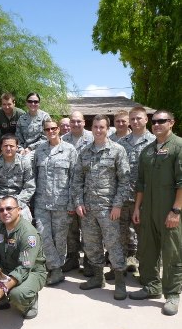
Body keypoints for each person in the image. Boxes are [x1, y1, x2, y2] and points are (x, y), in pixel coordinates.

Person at [130, 110, 182, 316]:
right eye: (154, 121)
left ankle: (172, 293)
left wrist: (176, 210)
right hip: (148, 209)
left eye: (162, 121)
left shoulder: (178, 146)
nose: (157, 124)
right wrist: (137, 208)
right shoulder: (148, 150)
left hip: (170, 210)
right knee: (148, 249)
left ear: (171, 123)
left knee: (172, 252)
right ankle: (152, 287)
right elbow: (140, 183)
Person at [72, 114, 130, 300]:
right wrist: (78, 203)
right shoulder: (85, 152)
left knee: (113, 246)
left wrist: (117, 205)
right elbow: (77, 180)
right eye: (95, 127)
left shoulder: (117, 150)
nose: (98, 130)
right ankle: (98, 278)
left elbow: (124, 180)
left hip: (109, 208)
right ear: (92, 128)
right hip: (88, 209)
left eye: (102, 127)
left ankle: (120, 283)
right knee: (91, 245)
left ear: (107, 128)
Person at [105, 107, 155, 280]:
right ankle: (118, 267)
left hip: (146, 197)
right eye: (132, 119)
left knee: (145, 235)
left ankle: (145, 271)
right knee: (119, 233)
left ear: (146, 119)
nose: (135, 122)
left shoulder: (154, 141)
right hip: (123, 196)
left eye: (138, 119)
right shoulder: (121, 142)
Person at [34, 119, 78, 285]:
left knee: (59, 239)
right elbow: (34, 175)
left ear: (59, 129)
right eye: (47, 129)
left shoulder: (70, 150)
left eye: (53, 128)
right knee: (44, 236)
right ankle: (55, 267)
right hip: (41, 203)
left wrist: (72, 203)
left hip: (62, 203)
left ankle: (56, 270)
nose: (51, 131)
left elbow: (75, 178)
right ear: (44, 131)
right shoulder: (39, 150)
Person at [61, 111, 94, 275]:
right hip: (68, 190)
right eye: (72, 121)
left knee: (87, 228)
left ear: (84, 122)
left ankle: (88, 261)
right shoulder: (63, 139)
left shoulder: (92, 138)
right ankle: (72, 258)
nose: (75, 124)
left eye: (78, 121)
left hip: (87, 190)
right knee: (71, 228)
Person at [0, 133, 35, 233]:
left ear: (17, 147)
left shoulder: (25, 162)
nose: (8, 148)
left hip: (19, 201)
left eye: (11, 146)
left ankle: (24, 248)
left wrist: (15, 204)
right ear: (1, 148)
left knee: (26, 222)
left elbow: (29, 187)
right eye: (5, 146)